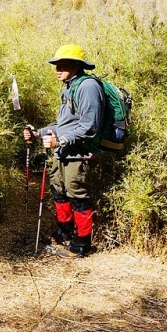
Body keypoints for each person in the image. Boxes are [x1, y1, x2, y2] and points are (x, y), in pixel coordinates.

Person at [23, 44, 105, 258]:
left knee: (77, 194)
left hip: (79, 153)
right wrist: (39, 133)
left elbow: (90, 126)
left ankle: (82, 243)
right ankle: (64, 233)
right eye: (56, 64)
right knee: (59, 190)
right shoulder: (69, 87)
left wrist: (60, 141)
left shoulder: (87, 87)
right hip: (64, 151)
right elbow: (65, 125)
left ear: (77, 65)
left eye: (63, 64)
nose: (58, 68)